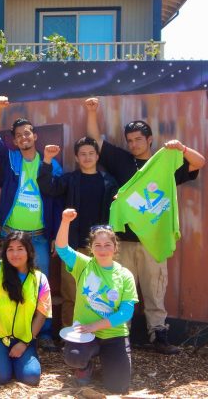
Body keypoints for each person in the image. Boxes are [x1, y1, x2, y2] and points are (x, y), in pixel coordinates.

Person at [86, 97, 205, 354]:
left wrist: (182, 148)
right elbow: (96, 141)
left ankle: (158, 336)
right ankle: (121, 337)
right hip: (124, 241)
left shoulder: (164, 164)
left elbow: (199, 163)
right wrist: (92, 112)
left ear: (149, 139)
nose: (133, 144)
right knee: (121, 292)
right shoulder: (121, 160)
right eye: (129, 140)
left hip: (153, 239)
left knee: (154, 290)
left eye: (138, 139)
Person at [0, 95, 63, 351]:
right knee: (5, 279)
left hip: (40, 236)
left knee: (42, 284)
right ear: (15, 139)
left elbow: (56, 197)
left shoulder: (50, 163)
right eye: (18, 135)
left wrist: (55, 233)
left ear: (35, 136)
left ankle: (43, 333)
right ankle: (4, 327)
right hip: (10, 234)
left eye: (27, 133)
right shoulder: (10, 159)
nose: (23, 138)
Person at [37, 137, 118, 328]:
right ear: (76, 157)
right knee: (70, 293)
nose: (87, 157)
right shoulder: (71, 179)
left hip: (99, 249)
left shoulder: (109, 182)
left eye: (91, 153)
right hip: (73, 248)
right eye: (83, 154)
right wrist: (47, 160)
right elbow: (48, 187)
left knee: (99, 293)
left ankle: (96, 333)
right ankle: (69, 334)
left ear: (97, 156)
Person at [56, 208, 138, 394]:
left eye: (107, 245)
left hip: (113, 334)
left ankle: (107, 362)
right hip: (84, 333)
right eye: (98, 245)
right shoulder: (83, 264)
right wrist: (65, 221)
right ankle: (85, 367)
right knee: (74, 357)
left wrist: (97, 325)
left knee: (118, 387)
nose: (102, 249)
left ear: (115, 247)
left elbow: (126, 312)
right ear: (91, 248)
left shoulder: (124, 275)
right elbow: (61, 248)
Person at [0, 223, 51, 386]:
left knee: (31, 377)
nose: (15, 254)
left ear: (29, 251)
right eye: (10, 249)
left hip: (23, 337)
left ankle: (9, 359)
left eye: (20, 249)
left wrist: (24, 343)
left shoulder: (39, 279)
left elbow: (41, 315)